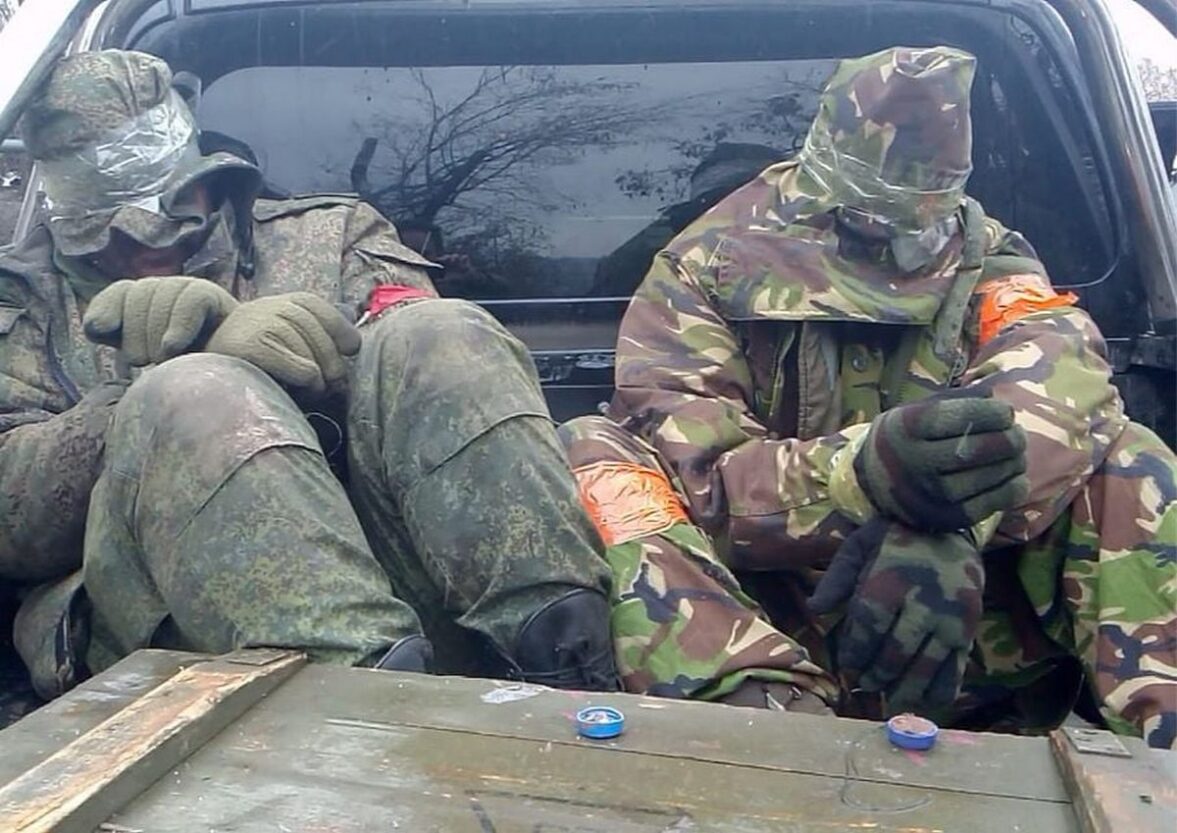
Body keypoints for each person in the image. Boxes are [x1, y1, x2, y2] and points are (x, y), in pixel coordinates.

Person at [562, 45, 1177, 746]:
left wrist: (948, 520)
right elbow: (697, 475)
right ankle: (768, 747)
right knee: (596, 456)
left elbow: (1059, 389)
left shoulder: (991, 261)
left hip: (962, 631)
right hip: (761, 620)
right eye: (867, 222)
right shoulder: (706, 267)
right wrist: (861, 474)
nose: (890, 244)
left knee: (1130, 458)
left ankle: (1160, 766)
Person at [0, 50, 620, 703]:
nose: (144, 244)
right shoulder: (25, 303)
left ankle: (567, 676)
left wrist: (307, 365)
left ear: (205, 176)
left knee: (441, 332)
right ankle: (368, 720)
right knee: (194, 392)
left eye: (171, 207)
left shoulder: (332, 235)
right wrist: (144, 399)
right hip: (166, 628)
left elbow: (432, 371)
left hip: (410, 582)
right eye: (113, 231)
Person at [591, 143, 785, 298]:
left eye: (754, 203)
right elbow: (601, 302)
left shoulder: (809, 240)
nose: (734, 215)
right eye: (715, 204)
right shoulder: (663, 243)